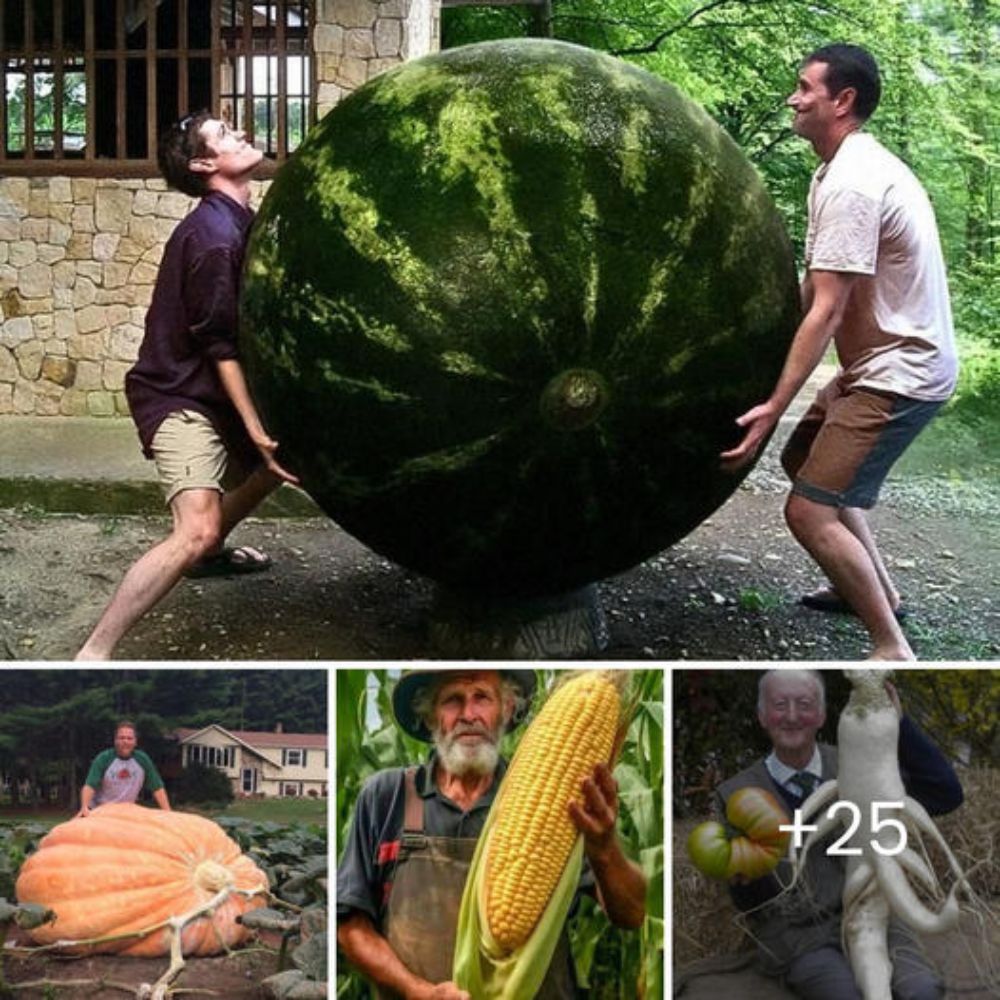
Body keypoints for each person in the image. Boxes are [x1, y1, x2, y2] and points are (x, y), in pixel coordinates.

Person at [720, 44, 958, 661]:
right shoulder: (836, 170)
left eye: (805, 88)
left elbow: (827, 308)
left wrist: (775, 403)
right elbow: (815, 288)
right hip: (876, 366)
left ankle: (890, 645)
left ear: (842, 100)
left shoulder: (854, 182)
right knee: (806, 461)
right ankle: (880, 593)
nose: (793, 99)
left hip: (902, 374)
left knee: (808, 512)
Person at [76, 110, 298, 661]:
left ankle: (209, 556)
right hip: (179, 396)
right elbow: (218, 344)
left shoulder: (245, 220)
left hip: (211, 390)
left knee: (284, 461)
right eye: (224, 134)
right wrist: (254, 426)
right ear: (203, 164)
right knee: (194, 528)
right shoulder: (214, 237)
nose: (241, 133)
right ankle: (92, 653)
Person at [336, 670, 647, 999]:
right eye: (452, 700)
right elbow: (351, 925)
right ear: (429, 718)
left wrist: (602, 848)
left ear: (508, 709)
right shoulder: (387, 795)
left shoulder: (562, 798)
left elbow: (631, 914)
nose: (469, 715)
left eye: (482, 698)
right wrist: (419, 992)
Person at [714, 669, 962, 1000]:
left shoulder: (859, 761)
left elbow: (944, 793)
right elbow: (751, 904)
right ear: (762, 716)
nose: (791, 716)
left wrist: (896, 723)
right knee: (843, 994)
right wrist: (742, 880)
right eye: (779, 705)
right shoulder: (734, 793)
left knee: (923, 990)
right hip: (799, 934)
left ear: (821, 715)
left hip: (877, 913)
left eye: (803, 704)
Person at [77, 720, 171, 817]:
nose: (125, 741)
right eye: (121, 738)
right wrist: (84, 807)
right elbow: (90, 785)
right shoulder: (104, 758)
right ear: (115, 740)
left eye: (129, 738)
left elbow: (157, 788)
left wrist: (167, 811)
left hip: (126, 812)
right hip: (100, 810)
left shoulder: (142, 760)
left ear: (135, 742)